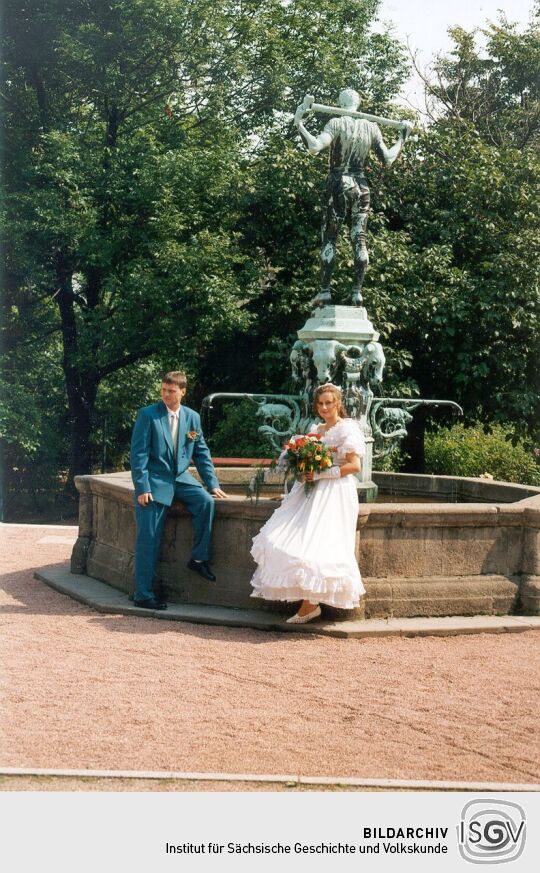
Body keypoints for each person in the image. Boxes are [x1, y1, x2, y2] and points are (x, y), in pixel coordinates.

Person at [250, 383, 365, 624]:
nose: (324, 407)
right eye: (320, 403)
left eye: (329, 403)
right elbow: (304, 463)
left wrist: (323, 474)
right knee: (279, 537)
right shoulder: (315, 429)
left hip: (335, 491)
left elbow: (355, 467)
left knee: (320, 546)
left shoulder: (348, 429)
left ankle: (310, 604)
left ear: (338, 403)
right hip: (310, 489)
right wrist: (302, 471)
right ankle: (309, 603)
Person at [294, 88, 412, 307]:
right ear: (358, 103)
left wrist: (299, 123)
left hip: (338, 182)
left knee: (330, 238)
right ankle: (357, 291)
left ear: (339, 102)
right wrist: (402, 138)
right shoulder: (372, 127)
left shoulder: (336, 123)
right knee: (359, 238)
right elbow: (387, 158)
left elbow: (314, 147)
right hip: (361, 185)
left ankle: (325, 291)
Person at [130, 371, 227, 610]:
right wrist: (142, 487)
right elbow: (138, 454)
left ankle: (198, 558)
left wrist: (212, 484)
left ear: (183, 391)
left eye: (171, 391)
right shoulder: (148, 415)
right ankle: (143, 594)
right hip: (155, 482)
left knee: (206, 502)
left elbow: (201, 452)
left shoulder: (192, 418)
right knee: (148, 539)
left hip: (181, 479)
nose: (165, 394)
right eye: (163, 389)